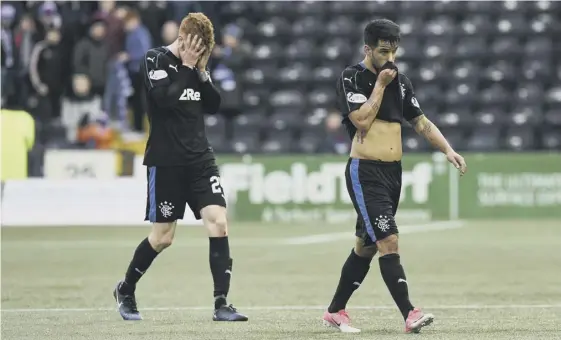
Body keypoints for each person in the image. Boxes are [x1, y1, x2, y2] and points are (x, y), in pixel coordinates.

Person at [323, 19, 467, 334]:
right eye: (383, 51)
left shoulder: (401, 81)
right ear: (368, 49)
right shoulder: (352, 77)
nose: (390, 59)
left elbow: (420, 122)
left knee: (367, 245)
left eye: (394, 52)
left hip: (393, 173)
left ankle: (335, 310)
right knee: (388, 240)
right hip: (366, 171)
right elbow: (360, 121)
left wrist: (448, 150)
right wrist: (380, 85)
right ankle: (410, 313)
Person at [112, 13, 248, 322]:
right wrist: (187, 68)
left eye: (205, 51)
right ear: (184, 38)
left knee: (218, 222)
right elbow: (163, 101)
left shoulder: (197, 67)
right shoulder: (154, 59)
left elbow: (214, 105)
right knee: (163, 237)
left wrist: (200, 73)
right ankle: (126, 288)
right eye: (198, 48)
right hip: (166, 160)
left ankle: (221, 303)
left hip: (200, 159)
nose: (202, 55)